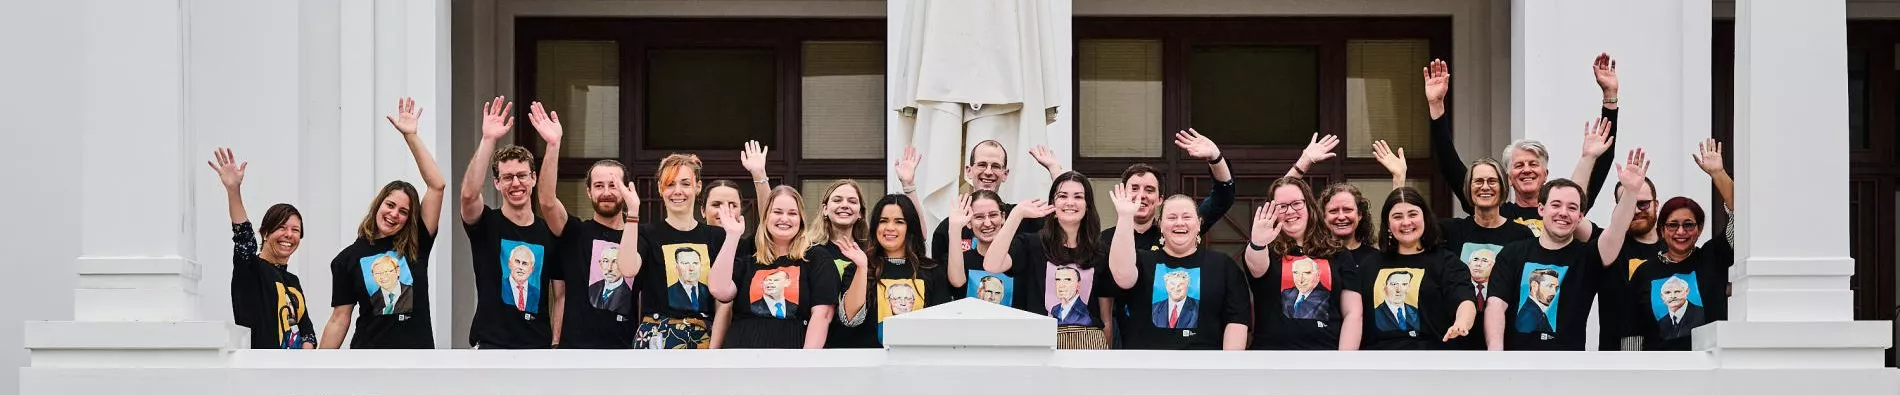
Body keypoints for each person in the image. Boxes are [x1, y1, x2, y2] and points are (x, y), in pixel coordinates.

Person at [1421, 56, 1621, 239]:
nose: (1526, 169)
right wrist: (1437, 107)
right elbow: (1451, 167)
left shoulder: (1562, 211)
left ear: (1545, 174)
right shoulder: (1496, 212)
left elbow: (1600, 160)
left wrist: (1610, 99)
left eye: (1533, 164)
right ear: (1508, 177)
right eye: (1519, 165)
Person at [1483, 148, 1650, 351]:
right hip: (1517, 366)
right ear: (1541, 209)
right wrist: (1496, 358)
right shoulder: (1513, 253)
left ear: (1580, 217)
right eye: (1556, 205)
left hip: (1569, 369)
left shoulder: (1588, 256)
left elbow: (1616, 231)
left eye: (1572, 208)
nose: (1563, 213)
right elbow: (1496, 306)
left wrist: (1631, 192)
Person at [320, 97, 447, 349]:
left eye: (403, 211)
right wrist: (316, 374)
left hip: (416, 360)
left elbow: (437, 185)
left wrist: (410, 136)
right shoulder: (347, 259)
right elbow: (339, 319)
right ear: (378, 205)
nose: (393, 214)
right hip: (367, 361)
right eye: (390, 205)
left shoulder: (417, 243)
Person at [1371, 141, 1520, 350]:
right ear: (1468, 188)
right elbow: (1408, 228)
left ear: (1504, 187)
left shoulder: (1521, 235)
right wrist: (1399, 179)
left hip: (1504, 335)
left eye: (1492, 181)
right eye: (1478, 181)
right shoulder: (1450, 230)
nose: (1485, 187)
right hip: (1459, 341)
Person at [457, 97, 561, 349]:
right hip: (492, 345)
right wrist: (488, 140)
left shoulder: (549, 231)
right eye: (507, 177)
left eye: (522, 176)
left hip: (537, 347)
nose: (516, 184)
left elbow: (561, 294)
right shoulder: (486, 224)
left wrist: (556, 343)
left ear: (534, 178)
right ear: (497, 183)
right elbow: (469, 195)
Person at [1035, 129, 1236, 253]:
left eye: (1149, 190)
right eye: (1134, 188)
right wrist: (1056, 172)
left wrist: (1215, 158)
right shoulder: (1102, 240)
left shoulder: (1177, 230)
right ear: (1122, 192)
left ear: (1160, 199)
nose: (1141, 195)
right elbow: (1068, 216)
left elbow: (1222, 198)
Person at [981, 171, 1119, 349]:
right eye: (1062, 196)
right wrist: (1017, 215)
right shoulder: (1030, 243)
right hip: (1039, 338)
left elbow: (1105, 316)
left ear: (1087, 205)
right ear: (1053, 203)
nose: (1070, 202)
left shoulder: (1100, 250)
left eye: (1078, 196)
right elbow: (991, 265)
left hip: (1089, 340)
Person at [1626, 139, 1736, 351]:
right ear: (1662, 230)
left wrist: (1718, 174)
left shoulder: (1713, 256)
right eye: (1673, 225)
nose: (1680, 232)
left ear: (1700, 228)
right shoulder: (1644, 272)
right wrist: (1634, 374)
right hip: (1658, 373)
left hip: (1710, 369)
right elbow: (1632, 330)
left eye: (1688, 225)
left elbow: (1743, 218)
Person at [1108, 191, 1251, 350]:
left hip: (1204, 366)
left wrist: (1227, 369)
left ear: (1199, 224)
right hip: (1147, 365)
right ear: (1160, 225)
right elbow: (1122, 276)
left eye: (1187, 217)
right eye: (1172, 217)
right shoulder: (1141, 260)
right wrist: (1125, 217)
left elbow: (1237, 320)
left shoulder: (1223, 265)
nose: (1179, 223)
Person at [616, 153, 729, 350]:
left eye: (685, 183)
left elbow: (723, 300)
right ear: (660, 188)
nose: (678, 191)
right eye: (670, 184)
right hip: (657, 337)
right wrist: (633, 212)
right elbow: (627, 268)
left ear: (698, 186)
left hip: (705, 338)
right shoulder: (647, 233)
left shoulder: (716, 237)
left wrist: (715, 349)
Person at [707, 185, 840, 349]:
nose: (784, 218)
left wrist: (806, 363)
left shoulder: (816, 257)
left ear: (801, 220)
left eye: (792, 213)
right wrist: (732, 236)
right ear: (766, 217)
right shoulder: (750, 258)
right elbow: (719, 290)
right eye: (777, 212)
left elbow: (823, 315)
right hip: (742, 355)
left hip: (791, 356)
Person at [210, 148, 315, 349]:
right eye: (281, 228)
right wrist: (233, 190)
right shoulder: (251, 268)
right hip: (261, 371)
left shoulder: (293, 281)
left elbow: (307, 331)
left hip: (293, 374)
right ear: (265, 233)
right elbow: (244, 238)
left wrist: (304, 355)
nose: (289, 235)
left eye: (295, 230)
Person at [1245, 177, 1365, 350]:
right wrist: (1257, 242)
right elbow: (1256, 267)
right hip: (1272, 357)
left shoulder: (1338, 252)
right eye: (1282, 206)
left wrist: (1343, 363)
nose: (1290, 211)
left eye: (1296, 203)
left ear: (1308, 205)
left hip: (1325, 356)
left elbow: (1353, 313)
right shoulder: (1265, 249)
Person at [1353, 187, 1478, 351]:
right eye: (1397, 217)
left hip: (1432, 359)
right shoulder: (1369, 264)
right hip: (1379, 361)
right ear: (1388, 224)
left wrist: (1462, 323)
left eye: (1413, 214)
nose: (1406, 222)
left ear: (1425, 217)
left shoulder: (1446, 261)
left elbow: (1465, 300)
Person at [835, 195, 955, 347]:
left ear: (910, 227)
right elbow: (849, 319)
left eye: (899, 222)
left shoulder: (932, 270)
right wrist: (862, 268)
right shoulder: (858, 267)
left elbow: (941, 327)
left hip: (918, 362)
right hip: (869, 363)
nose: (889, 228)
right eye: (883, 221)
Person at [931, 141, 1041, 261]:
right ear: (968, 171)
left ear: (1005, 174)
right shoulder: (949, 227)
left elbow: (1060, 234)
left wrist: (1054, 170)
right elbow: (940, 275)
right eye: (982, 165)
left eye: (995, 166)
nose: (988, 172)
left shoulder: (1022, 217)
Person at [587, 247, 635, 315]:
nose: (609, 268)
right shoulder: (592, 289)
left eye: (615, 262)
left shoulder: (629, 297)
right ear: (601, 264)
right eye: (606, 261)